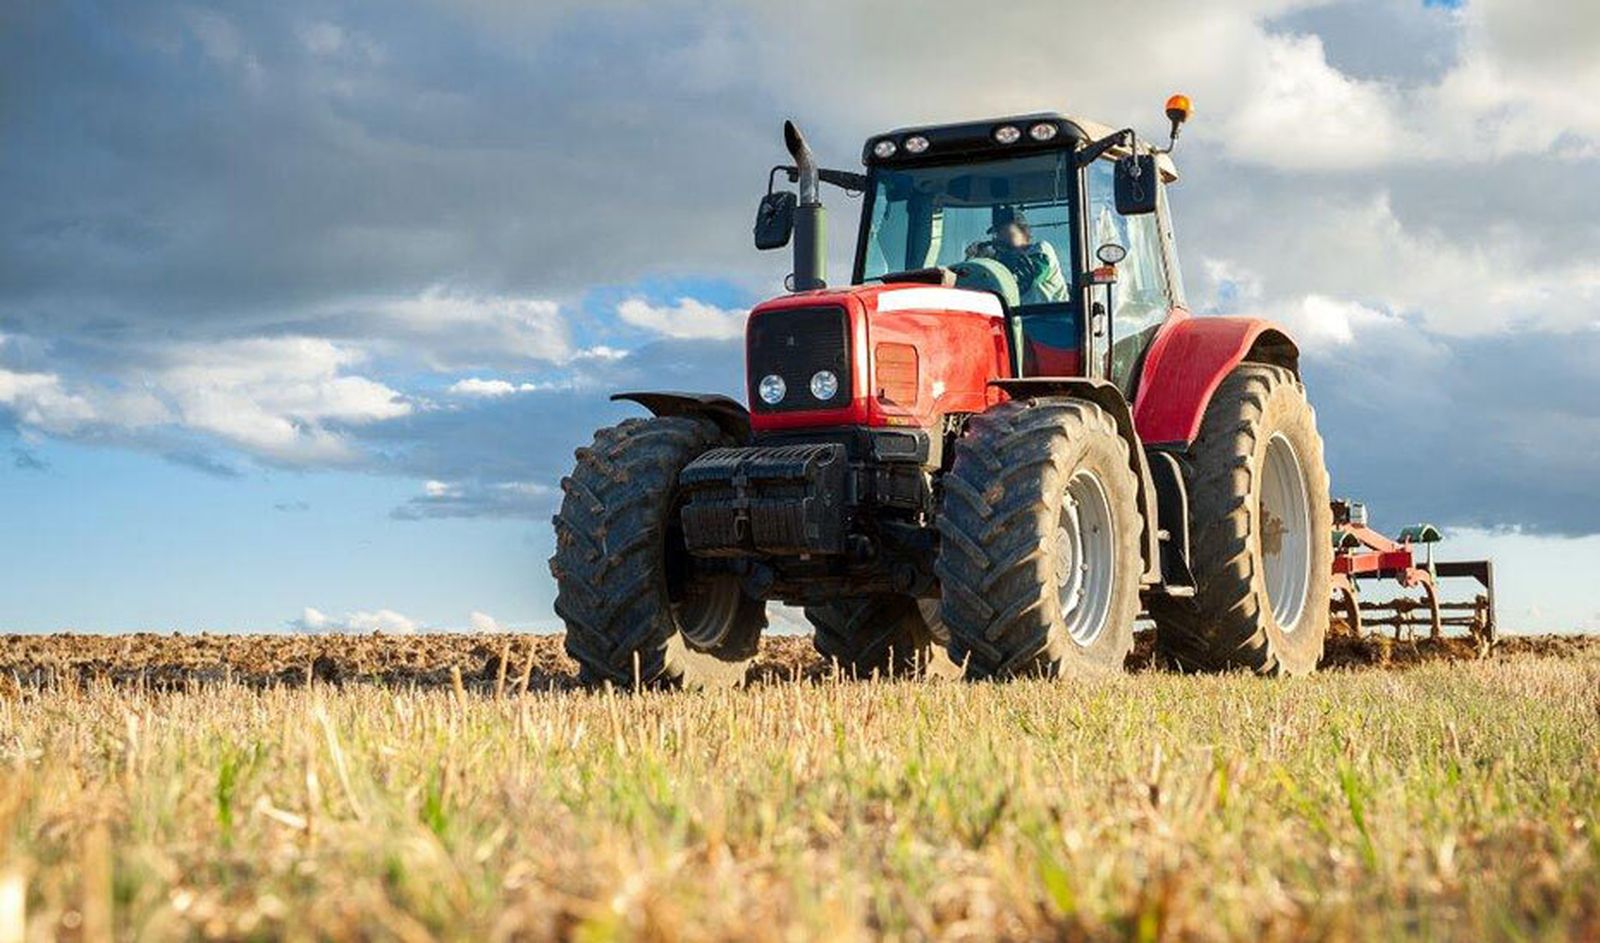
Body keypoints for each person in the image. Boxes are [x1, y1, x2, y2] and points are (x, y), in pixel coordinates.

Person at [965, 206, 1068, 304]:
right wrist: (979, 263)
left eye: (1007, 233)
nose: (1000, 239)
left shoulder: (1042, 249)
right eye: (998, 234)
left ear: (1024, 232)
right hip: (1021, 319)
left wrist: (994, 259)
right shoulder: (1003, 263)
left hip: (1053, 317)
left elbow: (1028, 275)